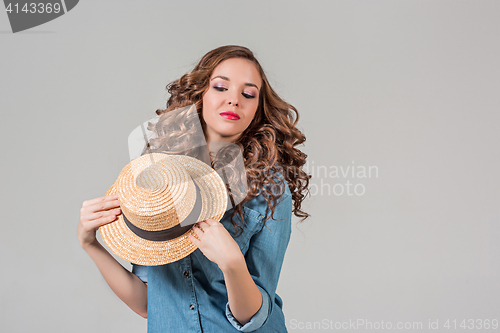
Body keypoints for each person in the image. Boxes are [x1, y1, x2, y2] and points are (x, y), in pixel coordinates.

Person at [78, 45, 310, 332]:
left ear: (257, 109)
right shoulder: (157, 177)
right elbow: (148, 304)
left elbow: (254, 316)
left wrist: (233, 264)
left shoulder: (269, 189)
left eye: (248, 94)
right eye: (221, 87)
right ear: (201, 94)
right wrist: (91, 244)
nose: (234, 100)